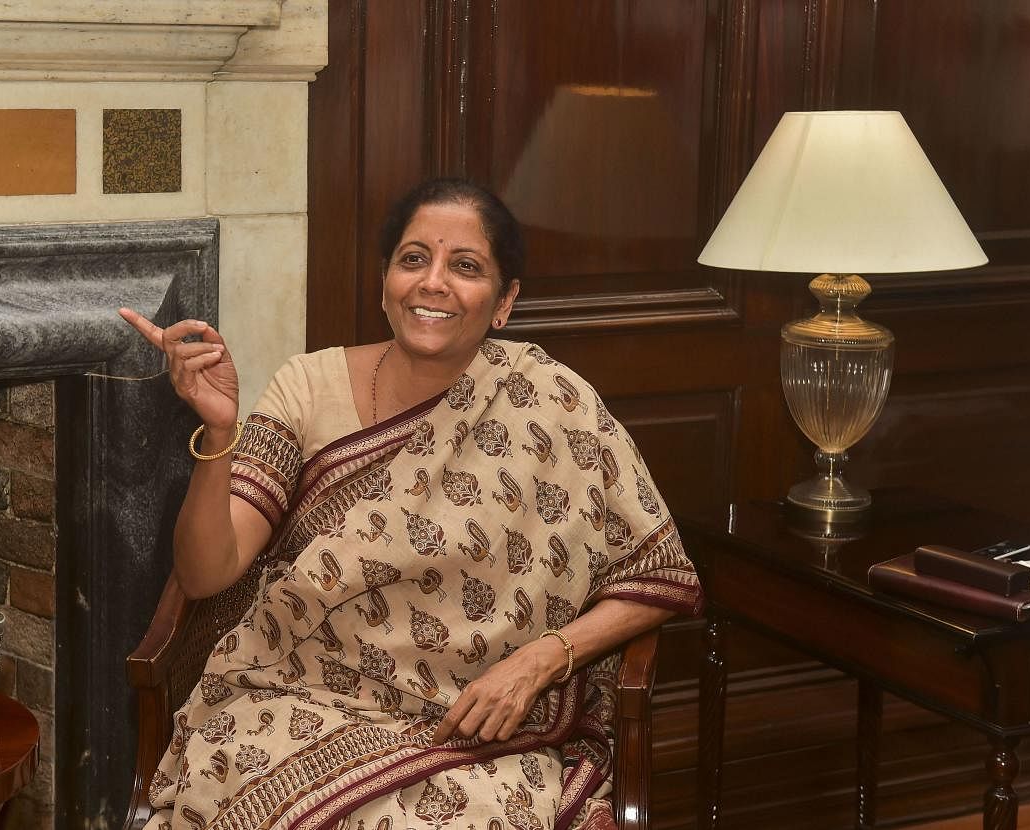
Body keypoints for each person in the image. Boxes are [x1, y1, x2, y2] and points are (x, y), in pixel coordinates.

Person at [120, 178, 703, 830]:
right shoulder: (308, 387)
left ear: (505, 301)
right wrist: (221, 433)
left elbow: (658, 577)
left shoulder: (553, 401)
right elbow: (205, 573)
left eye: (466, 266)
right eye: (413, 258)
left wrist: (540, 660)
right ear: (385, 283)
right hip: (298, 694)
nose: (433, 282)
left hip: (478, 726)